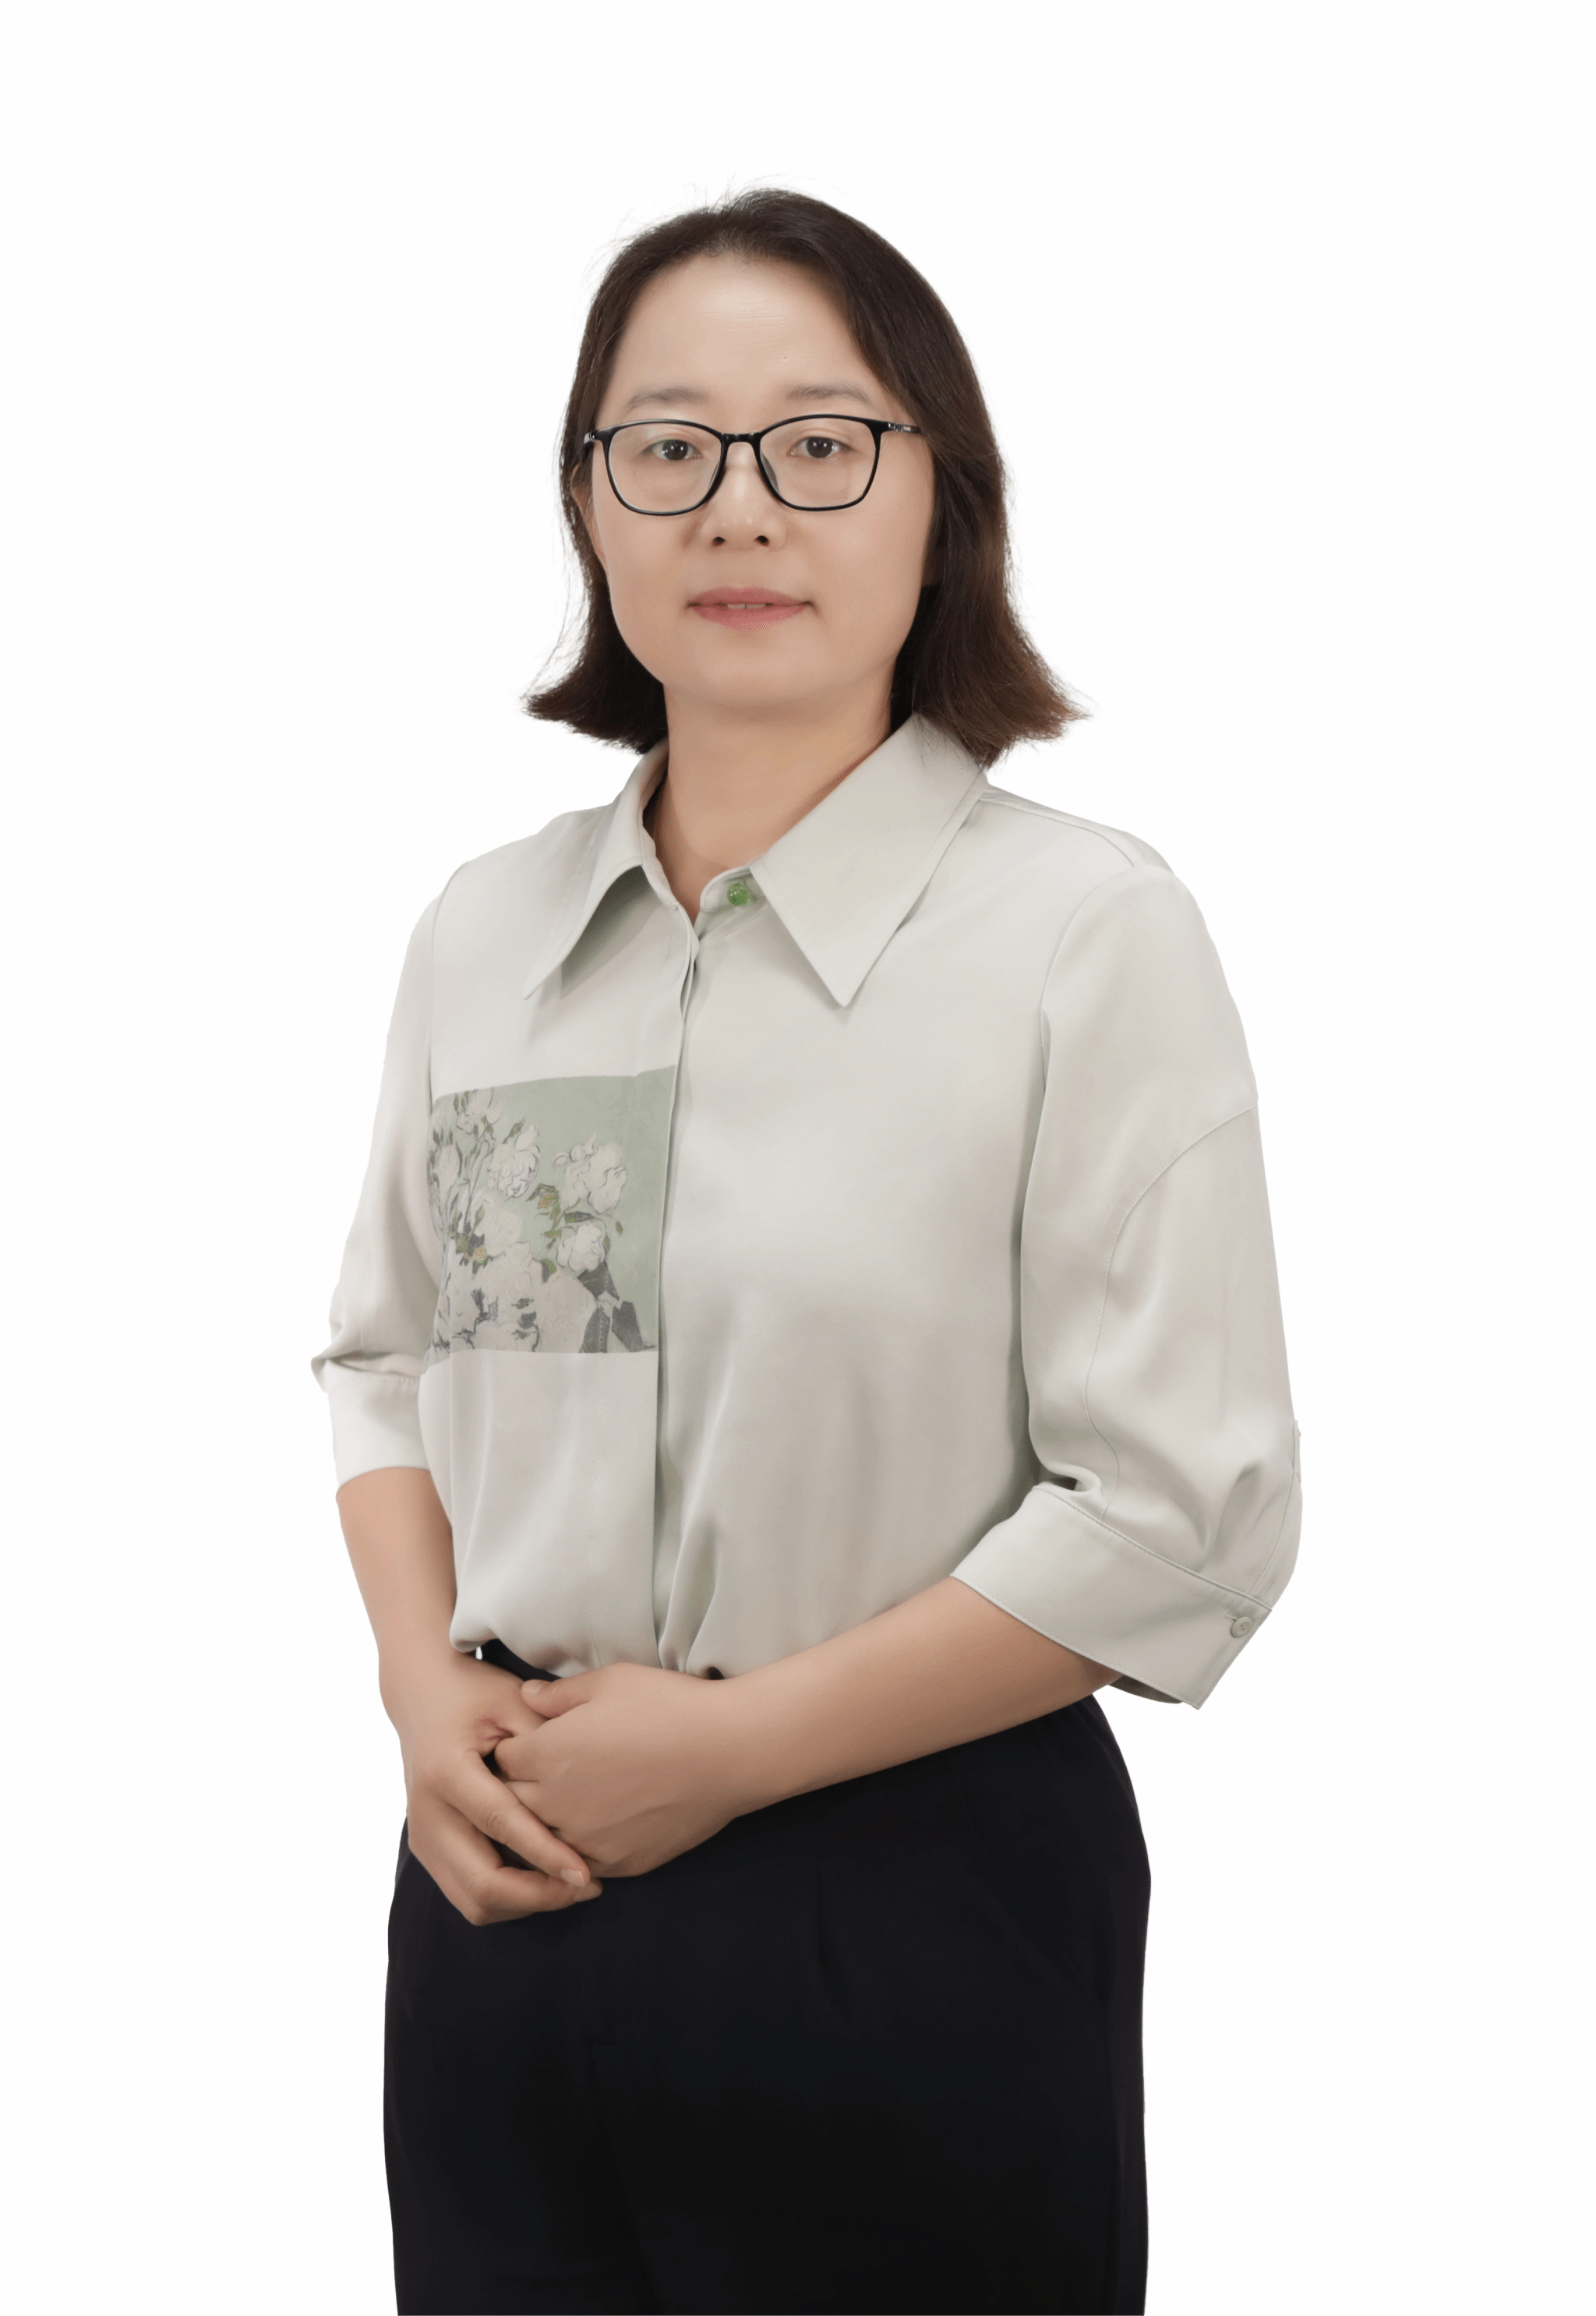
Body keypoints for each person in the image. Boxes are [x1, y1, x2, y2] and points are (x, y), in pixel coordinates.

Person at [315, 188, 1301, 2316]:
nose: (738, 505)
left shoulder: (1083, 934)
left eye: (822, 442)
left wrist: (734, 1750)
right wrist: (418, 1696)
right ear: (590, 502)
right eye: (667, 445)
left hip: (913, 1894)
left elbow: (1177, 1509)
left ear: (943, 500)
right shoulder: (485, 934)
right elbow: (388, 1359)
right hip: (503, 1890)